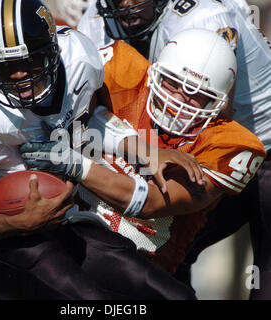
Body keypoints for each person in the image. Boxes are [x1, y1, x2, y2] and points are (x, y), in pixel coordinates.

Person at [0, 0, 201, 300]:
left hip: (63, 219)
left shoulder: (79, 59)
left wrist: (145, 152)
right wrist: (17, 223)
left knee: (174, 296)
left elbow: (88, 122)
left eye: (31, 62)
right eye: (6, 68)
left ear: (53, 51)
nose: (20, 77)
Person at [20, 29, 266, 278]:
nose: (178, 100)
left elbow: (148, 203)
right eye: (172, 82)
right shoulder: (123, 71)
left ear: (217, 103)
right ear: (155, 73)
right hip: (65, 229)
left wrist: (74, 164)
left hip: (142, 267)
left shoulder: (227, 145)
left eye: (195, 93)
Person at [78, 0, 271, 298]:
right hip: (166, 140)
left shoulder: (204, 17)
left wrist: (73, 163)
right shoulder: (98, 20)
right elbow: (74, 107)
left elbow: (215, 106)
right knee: (164, 254)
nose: (126, 4)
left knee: (262, 270)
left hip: (244, 144)